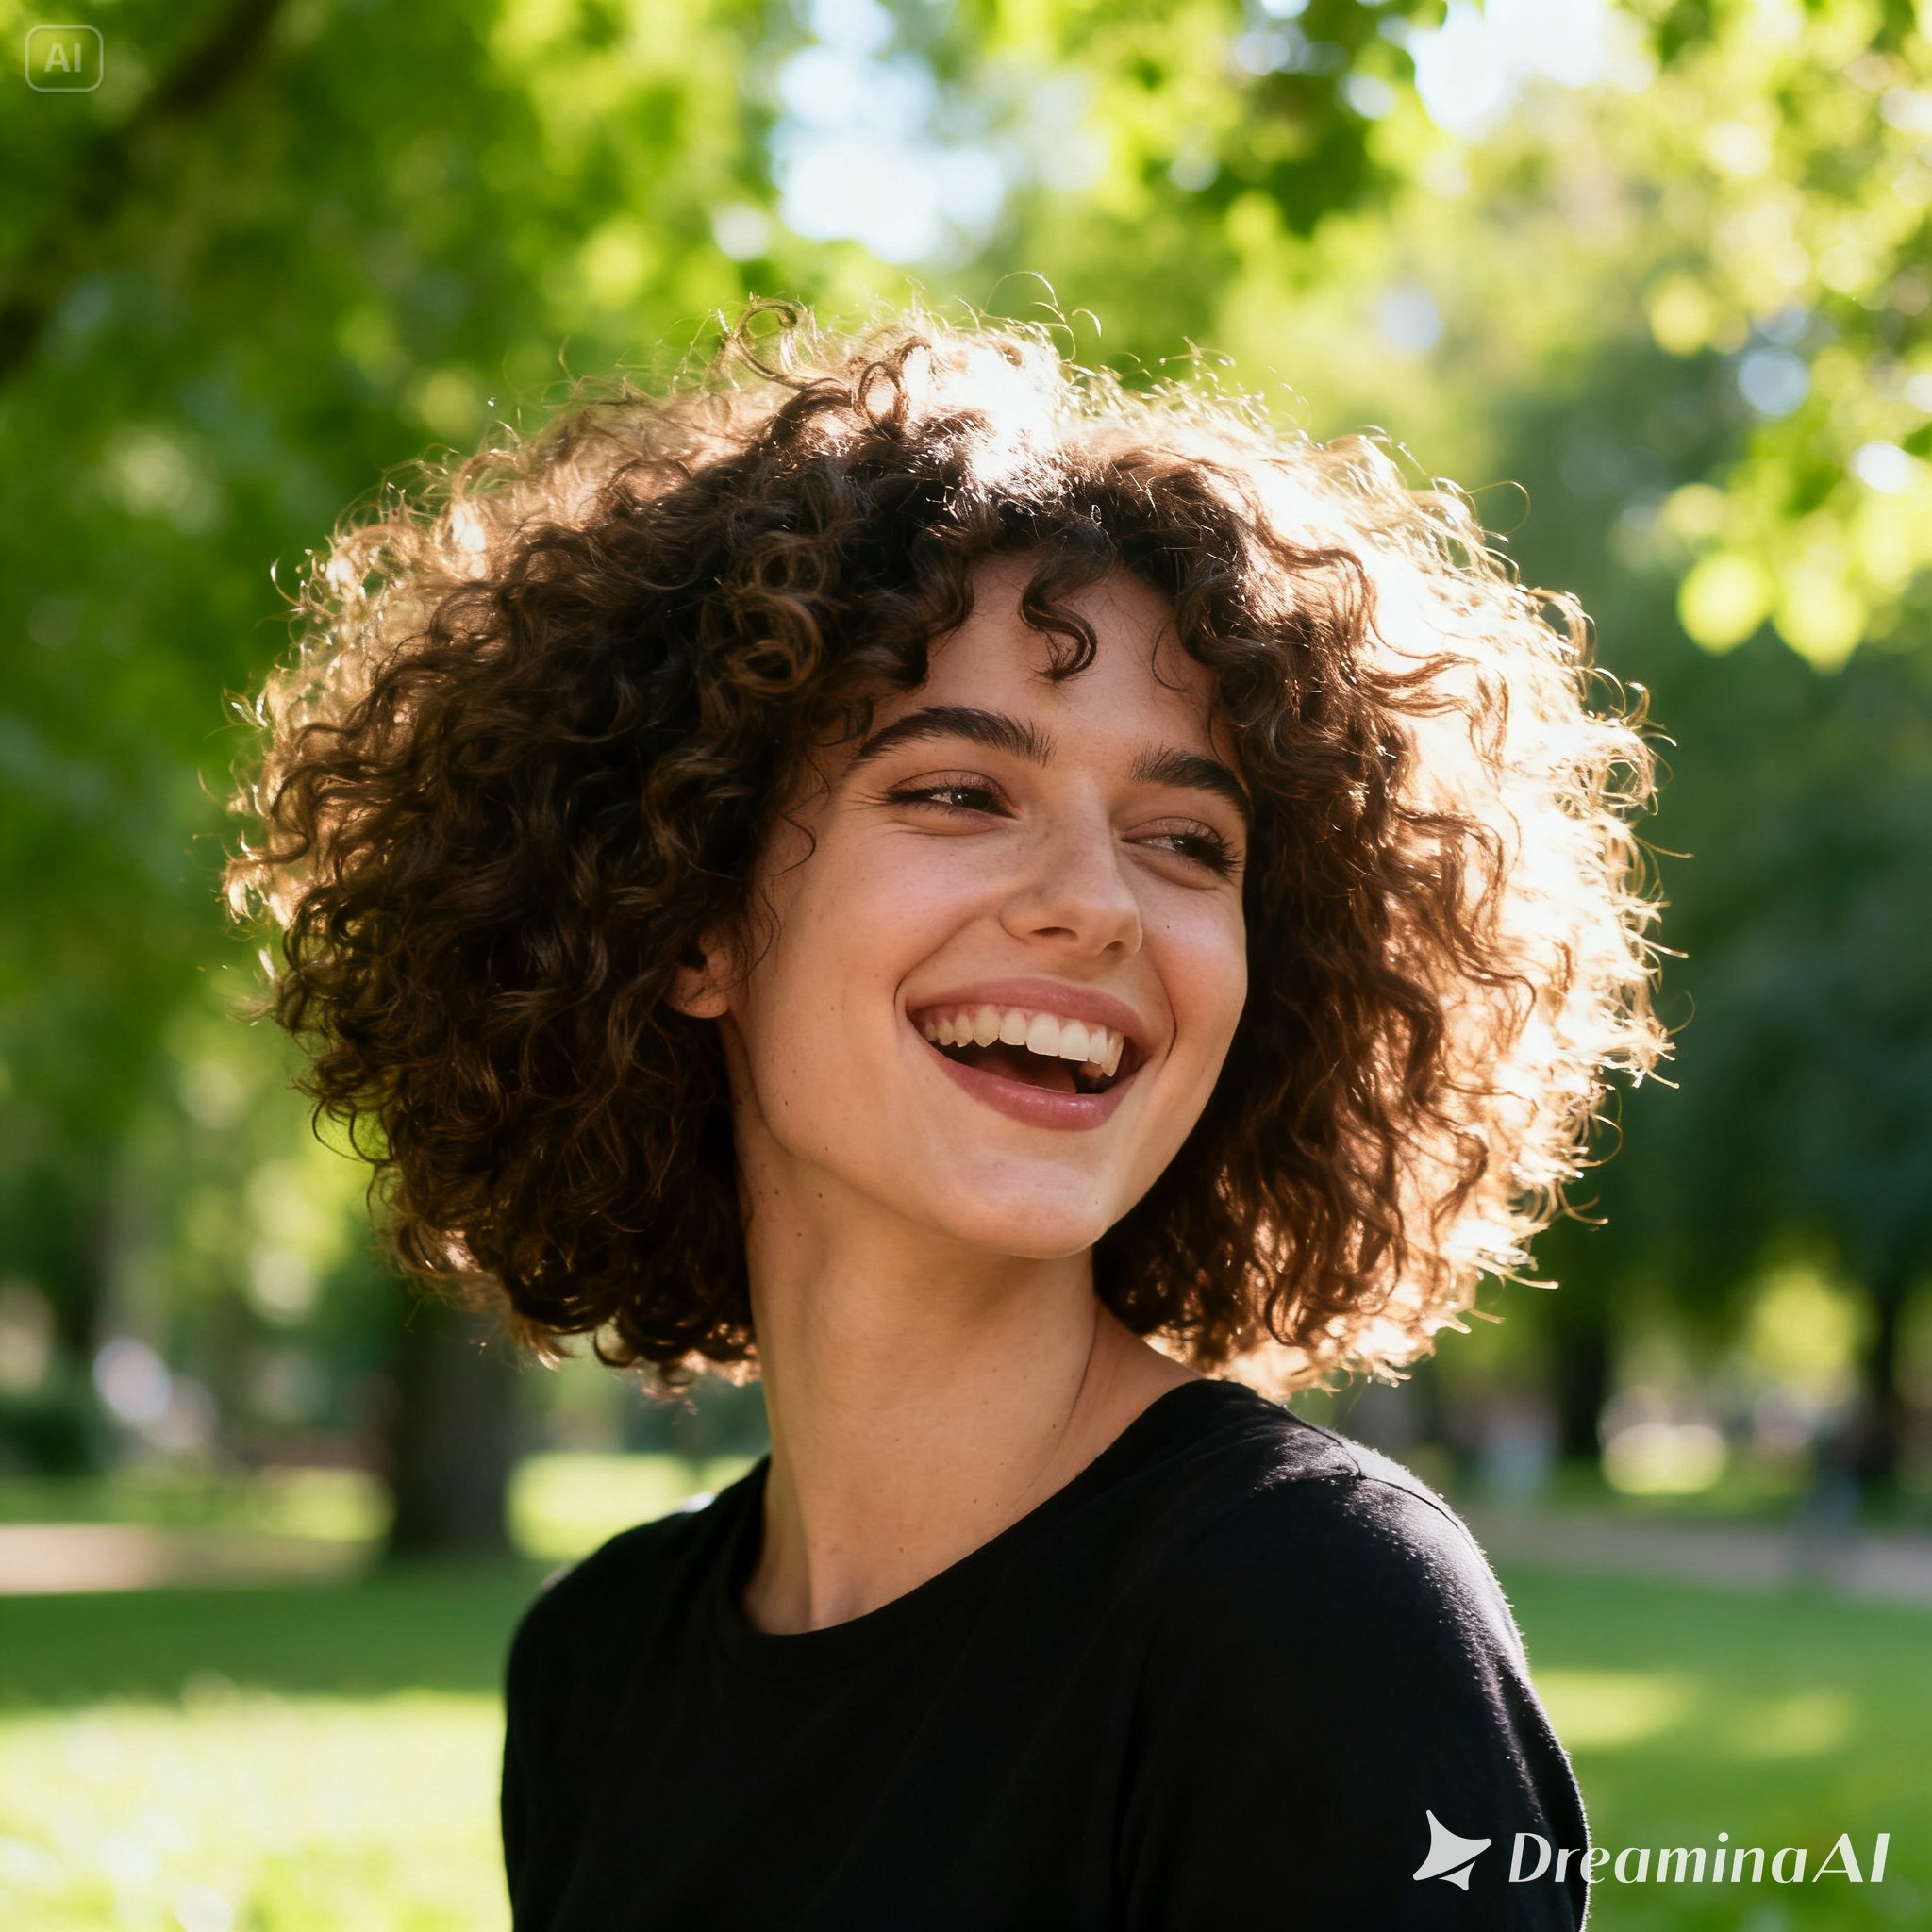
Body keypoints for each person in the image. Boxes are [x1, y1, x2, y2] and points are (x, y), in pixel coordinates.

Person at [223, 299, 1670, 1928]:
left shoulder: (1310, 1620)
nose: (1097, 906)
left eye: (1189, 841)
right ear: (686, 914)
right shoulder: (595, 1666)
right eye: (959, 792)